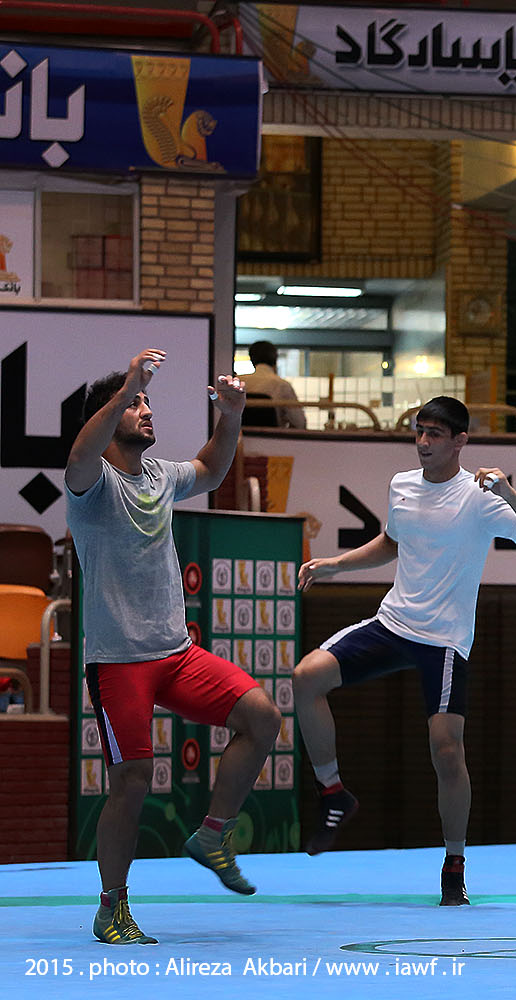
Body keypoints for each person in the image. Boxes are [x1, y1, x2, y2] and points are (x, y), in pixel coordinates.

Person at [292, 395, 516, 905]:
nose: (423, 442)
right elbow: (392, 542)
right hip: (394, 623)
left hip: (445, 640)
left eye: (434, 434)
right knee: (307, 677)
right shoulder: (402, 484)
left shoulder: (481, 497)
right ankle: (333, 793)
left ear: (460, 441)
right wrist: (334, 565)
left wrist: (510, 492)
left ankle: (454, 863)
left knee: (447, 749)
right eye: (419, 431)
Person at [66, 349, 283, 945]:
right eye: (135, 404)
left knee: (262, 718)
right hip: (119, 662)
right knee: (133, 780)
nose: (146, 410)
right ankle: (112, 907)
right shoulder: (91, 483)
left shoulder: (160, 476)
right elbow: (79, 456)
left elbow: (210, 469)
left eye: (147, 402)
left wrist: (231, 416)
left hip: (176, 654)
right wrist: (125, 386)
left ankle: (213, 834)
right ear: (108, 416)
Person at [240, 340, 306, 429]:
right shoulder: (283, 385)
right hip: (273, 436)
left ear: (251, 360)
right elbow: (300, 423)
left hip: (239, 436)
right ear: (275, 360)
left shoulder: (238, 382)